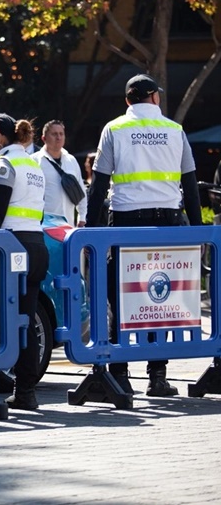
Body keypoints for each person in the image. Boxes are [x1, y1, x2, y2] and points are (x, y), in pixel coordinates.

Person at [86, 73, 202, 397]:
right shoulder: (174, 130)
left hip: (126, 221)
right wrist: (200, 231)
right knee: (158, 296)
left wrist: (90, 231)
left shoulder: (115, 129)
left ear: (128, 101)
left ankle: (120, 376)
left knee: (121, 296)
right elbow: (191, 186)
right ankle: (158, 377)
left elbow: (98, 186)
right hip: (168, 222)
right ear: (154, 98)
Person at [0, 113, 48, 410]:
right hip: (34, 246)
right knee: (24, 321)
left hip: (6, 248)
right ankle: (25, 392)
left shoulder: (3, 164)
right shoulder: (32, 164)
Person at [31, 120, 87, 227]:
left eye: (61, 134)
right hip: (44, 226)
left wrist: (82, 217)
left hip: (68, 226)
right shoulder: (34, 161)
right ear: (44, 138)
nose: (58, 137)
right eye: (54, 134)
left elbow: (81, 193)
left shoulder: (71, 160)